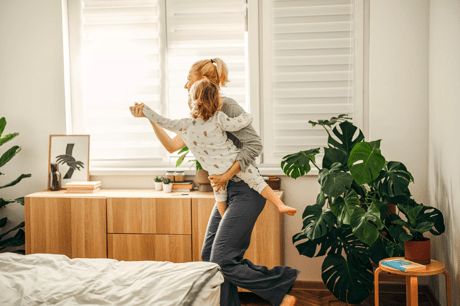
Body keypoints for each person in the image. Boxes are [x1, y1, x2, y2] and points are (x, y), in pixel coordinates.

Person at [130, 58, 299, 306]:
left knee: (221, 259)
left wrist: (226, 176)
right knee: (210, 258)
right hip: (224, 189)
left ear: (203, 80)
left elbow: (255, 145)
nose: (185, 84)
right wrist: (149, 117)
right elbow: (172, 145)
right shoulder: (197, 116)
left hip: (245, 188)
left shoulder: (226, 107)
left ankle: (280, 287)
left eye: (188, 78)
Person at [135, 78, 297, 218]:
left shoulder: (186, 125)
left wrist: (146, 111)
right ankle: (279, 204)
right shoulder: (219, 118)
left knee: (220, 197)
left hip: (214, 171)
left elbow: (163, 121)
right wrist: (248, 116)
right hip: (232, 160)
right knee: (259, 183)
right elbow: (238, 123)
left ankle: (225, 220)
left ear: (194, 100)